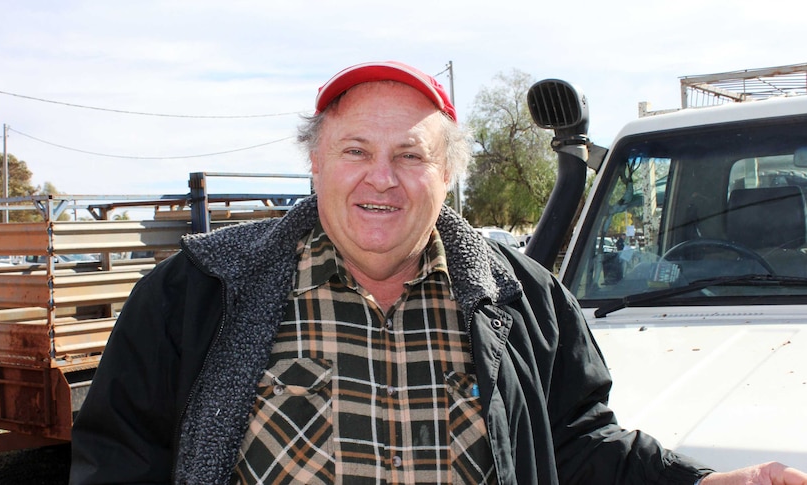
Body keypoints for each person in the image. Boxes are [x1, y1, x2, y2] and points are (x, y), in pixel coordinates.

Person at [69, 61, 807, 485]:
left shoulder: (526, 301)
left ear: (449, 173)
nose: (380, 179)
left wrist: (700, 481)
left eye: (412, 155)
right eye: (356, 150)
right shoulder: (198, 293)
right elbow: (116, 460)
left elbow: (578, 443)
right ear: (317, 162)